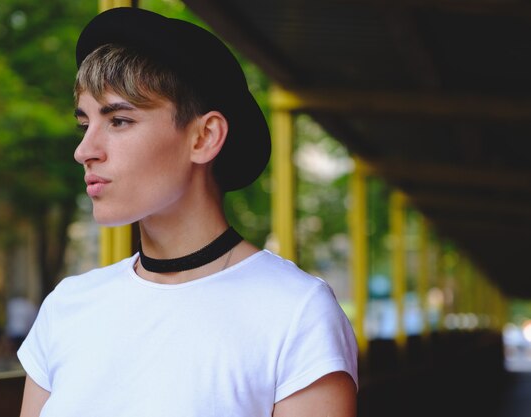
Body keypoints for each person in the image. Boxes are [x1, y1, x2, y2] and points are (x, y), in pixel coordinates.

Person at [18, 7, 358, 417]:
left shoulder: (296, 312)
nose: (84, 150)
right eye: (84, 124)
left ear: (204, 137)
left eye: (119, 120)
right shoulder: (67, 308)